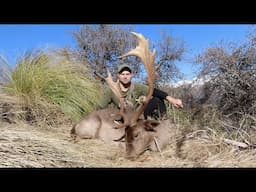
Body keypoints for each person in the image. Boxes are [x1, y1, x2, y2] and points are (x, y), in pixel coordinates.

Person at [99, 64, 183, 120]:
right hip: (121, 118)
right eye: (122, 74)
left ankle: (163, 123)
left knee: (157, 100)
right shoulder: (111, 90)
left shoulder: (137, 87)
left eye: (127, 74)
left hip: (138, 117)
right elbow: (100, 108)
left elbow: (153, 91)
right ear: (118, 75)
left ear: (131, 75)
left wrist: (172, 100)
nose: (125, 77)